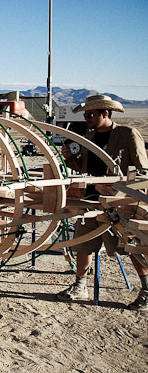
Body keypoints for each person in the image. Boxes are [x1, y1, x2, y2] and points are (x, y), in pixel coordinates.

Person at [56, 94, 148, 310]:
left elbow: (142, 171)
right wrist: (70, 158)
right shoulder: (89, 137)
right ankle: (80, 287)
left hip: (120, 203)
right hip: (91, 201)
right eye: (86, 115)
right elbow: (84, 169)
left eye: (90, 115)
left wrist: (127, 195)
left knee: (132, 245)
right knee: (83, 244)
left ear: (105, 113)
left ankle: (146, 289)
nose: (87, 119)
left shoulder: (126, 134)